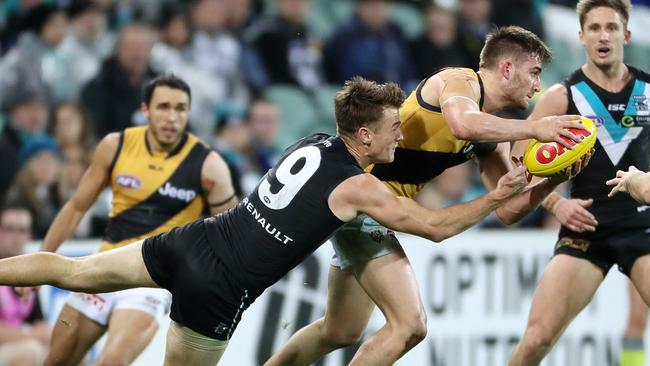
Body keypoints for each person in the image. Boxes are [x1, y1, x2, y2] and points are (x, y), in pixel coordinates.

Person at [0, 77, 532, 366]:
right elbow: (435, 228)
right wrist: (496, 197)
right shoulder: (361, 185)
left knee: (68, 270)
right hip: (219, 288)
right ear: (364, 135)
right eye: (394, 128)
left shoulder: (312, 142)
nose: (402, 137)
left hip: (190, 242)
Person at [266, 25, 591, 366]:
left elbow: (507, 210)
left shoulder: (493, 131)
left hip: (373, 208)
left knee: (341, 331)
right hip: (363, 199)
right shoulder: (458, 81)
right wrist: (536, 128)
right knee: (409, 326)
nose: (538, 86)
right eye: (534, 73)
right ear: (507, 68)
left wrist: (552, 181)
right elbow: (463, 124)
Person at [17, 74, 237, 366]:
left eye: (181, 108)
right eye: (164, 107)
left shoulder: (209, 165)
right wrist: (41, 265)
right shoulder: (115, 146)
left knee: (112, 363)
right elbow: (76, 207)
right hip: (103, 266)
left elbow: (231, 238)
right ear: (145, 110)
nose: (172, 117)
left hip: (152, 281)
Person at [507, 0, 650, 365]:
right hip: (586, 227)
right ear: (581, 37)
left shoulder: (649, 91)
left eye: (612, 27)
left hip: (643, 226)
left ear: (627, 35)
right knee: (537, 339)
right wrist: (556, 204)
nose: (604, 36)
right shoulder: (561, 97)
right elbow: (517, 163)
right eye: (596, 28)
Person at [0, 202, 50, 366]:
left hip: (19, 343)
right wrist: (30, 336)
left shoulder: (28, 274)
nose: (16, 236)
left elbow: (39, 322)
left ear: (29, 235)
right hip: (11, 346)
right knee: (30, 351)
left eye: (22, 230)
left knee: (69, 350)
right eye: (10, 229)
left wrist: (43, 333)